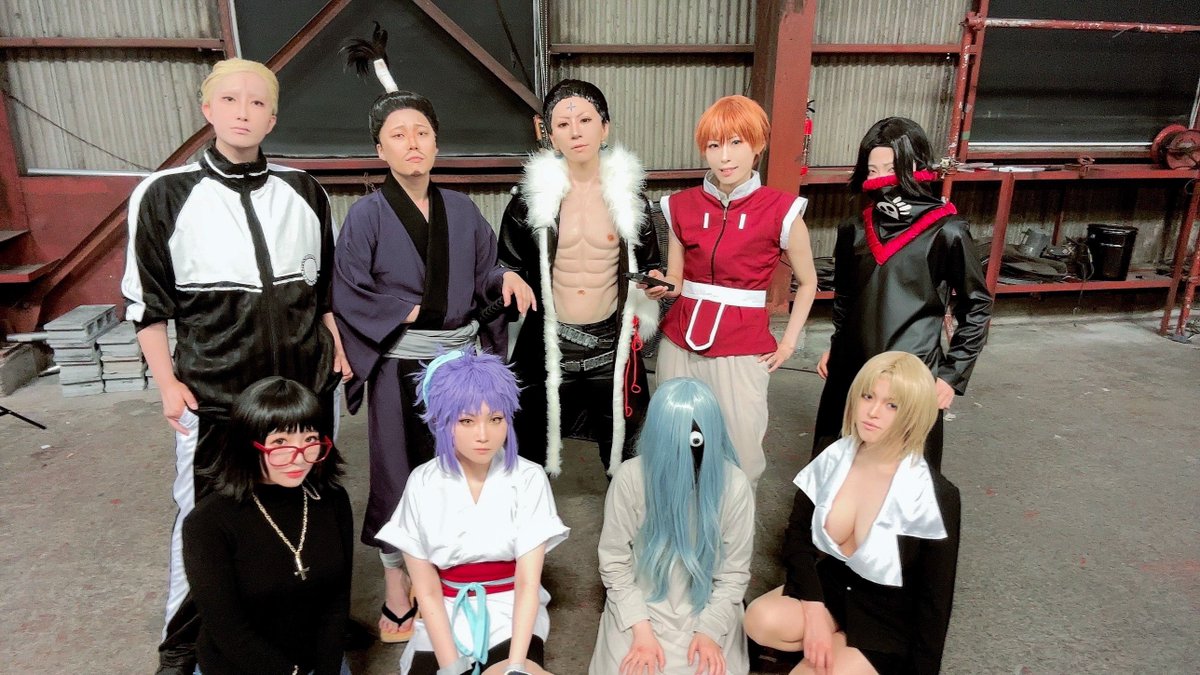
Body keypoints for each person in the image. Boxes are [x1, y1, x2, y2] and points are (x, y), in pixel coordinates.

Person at [121, 58, 351, 674]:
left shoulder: (305, 190)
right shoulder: (164, 194)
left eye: (257, 103)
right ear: (207, 110)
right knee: (206, 519)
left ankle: (308, 610)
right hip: (215, 399)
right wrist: (167, 384)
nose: (243, 112)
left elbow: (323, 292)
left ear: (272, 117)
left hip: (305, 392)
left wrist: (336, 349)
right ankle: (183, 644)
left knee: (308, 501)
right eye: (229, 100)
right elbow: (146, 307)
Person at [336, 33, 535, 643]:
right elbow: (348, 290)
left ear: (436, 143)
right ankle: (398, 587)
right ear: (380, 149)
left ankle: (451, 576)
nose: (412, 143)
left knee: (463, 467)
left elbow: (484, 269)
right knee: (399, 475)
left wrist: (506, 276)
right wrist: (409, 309)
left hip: (460, 366)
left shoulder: (462, 209)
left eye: (421, 132)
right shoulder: (366, 216)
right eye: (398, 135)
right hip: (399, 368)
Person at [744, 352, 961, 675]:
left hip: (887, 617)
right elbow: (798, 536)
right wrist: (814, 610)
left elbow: (935, 601)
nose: (873, 412)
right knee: (760, 620)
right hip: (833, 588)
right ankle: (824, 647)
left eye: (892, 405)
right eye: (868, 396)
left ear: (913, 413)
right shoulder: (832, 453)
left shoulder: (936, 494)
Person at [651, 95, 818, 489]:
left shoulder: (782, 210)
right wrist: (661, 285)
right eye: (714, 145)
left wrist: (788, 345)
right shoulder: (680, 206)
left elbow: (809, 281)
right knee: (671, 444)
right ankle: (674, 523)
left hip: (743, 347)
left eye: (736, 143)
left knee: (740, 453)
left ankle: (733, 529)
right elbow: (677, 280)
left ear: (758, 144)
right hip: (678, 343)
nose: (724, 157)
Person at [499, 79, 662, 477]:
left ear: (605, 128)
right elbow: (506, 263)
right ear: (550, 135)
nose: (575, 132)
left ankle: (624, 510)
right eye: (563, 124)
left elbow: (649, 264)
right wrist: (508, 277)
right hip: (548, 343)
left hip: (612, 342)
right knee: (529, 452)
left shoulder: (631, 201)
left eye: (585, 120)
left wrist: (653, 281)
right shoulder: (529, 201)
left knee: (627, 454)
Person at [811, 117, 992, 471]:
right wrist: (836, 345)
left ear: (915, 166)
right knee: (836, 466)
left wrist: (952, 374)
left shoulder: (947, 231)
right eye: (872, 170)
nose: (880, 180)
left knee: (904, 476)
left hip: (911, 373)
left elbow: (977, 305)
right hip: (851, 369)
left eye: (890, 169)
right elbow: (845, 298)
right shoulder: (853, 229)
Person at [376, 349, 569, 675]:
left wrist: (517, 666)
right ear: (441, 421)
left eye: (496, 419)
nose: (483, 435)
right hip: (445, 614)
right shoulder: (422, 482)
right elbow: (427, 590)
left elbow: (527, 584)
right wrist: (452, 667)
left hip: (512, 613)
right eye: (466, 421)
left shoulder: (529, 477)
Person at [182, 377, 353, 675]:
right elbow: (227, 628)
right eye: (280, 443)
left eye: (310, 440)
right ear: (248, 443)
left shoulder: (333, 500)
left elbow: (337, 603)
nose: (299, 458)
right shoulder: (208, 522)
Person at [590, 378, 755, 675]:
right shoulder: (630, 477)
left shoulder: (734, 485)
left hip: (706, 607)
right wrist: (640, 629)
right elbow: (614, 561)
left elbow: (733, 573)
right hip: (642, 606)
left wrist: (710, 631)